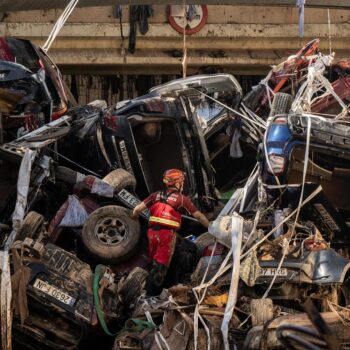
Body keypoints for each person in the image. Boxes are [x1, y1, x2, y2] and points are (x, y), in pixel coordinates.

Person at [132, 169, 209, 292]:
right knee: (160, 267)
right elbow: (199, 216)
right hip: (166, 234)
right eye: (182, 181)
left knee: (156, 260)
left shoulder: (155, 195)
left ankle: (168, 282)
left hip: (151, 233)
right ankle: (151, 295)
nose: (182, 184)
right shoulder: (181, 199)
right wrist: (210, 227)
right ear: (177, 182)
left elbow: (136, 210)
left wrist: (134, 219)